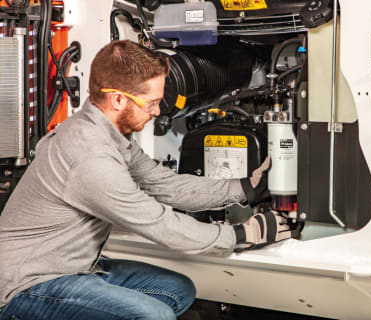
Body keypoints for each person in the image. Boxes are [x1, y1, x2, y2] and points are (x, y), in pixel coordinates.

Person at [0, 40, 293, 320]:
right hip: (26, 286)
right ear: (117, 99)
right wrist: (241, 236)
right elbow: (160, 223)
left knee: (178, 291)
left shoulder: (108, 135)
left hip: (74, 268)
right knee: (154, 315)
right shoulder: (89, 156)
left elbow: (165, 184)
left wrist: (244, 188)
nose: (157, 112)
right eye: (150, 103)